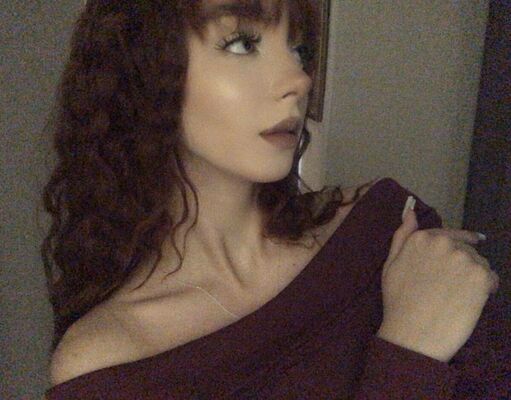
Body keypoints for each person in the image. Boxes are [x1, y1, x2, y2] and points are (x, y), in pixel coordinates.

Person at [41, 1, 509, 399]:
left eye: (299, 49)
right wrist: (409, 356)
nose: (299, 79)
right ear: (142, 71)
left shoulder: (389, 230)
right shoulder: (106, 364)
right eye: (242, 44)